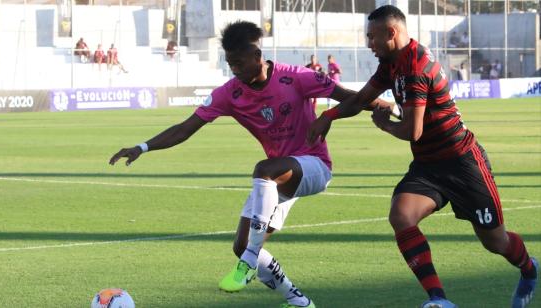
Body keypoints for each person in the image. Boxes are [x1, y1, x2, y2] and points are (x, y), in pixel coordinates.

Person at [109, 21, 396, 308]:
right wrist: (142, 147)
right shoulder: (229, 93)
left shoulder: (295, 77)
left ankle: (249, 261)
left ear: (257, 56)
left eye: (238, 63)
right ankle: (299, 302)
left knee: (263, 170)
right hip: (277, 180)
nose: (234, 70)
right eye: (229, 64)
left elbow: (349, 97)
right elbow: (185, 128)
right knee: (241, 244)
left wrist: (380, 104)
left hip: (314, 167)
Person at [307, 5, 537, 308]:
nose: (368, 44)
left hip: (464, 163)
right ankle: (439, 300)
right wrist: (329, 116)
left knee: (496, 242)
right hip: (429, 166)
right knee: (401, 216)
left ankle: (530, 270)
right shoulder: (392, 63)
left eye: (372, 37)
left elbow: (412, 131)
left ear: (391, 33)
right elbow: (362, 98)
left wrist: (385, 125)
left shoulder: (415, 67)